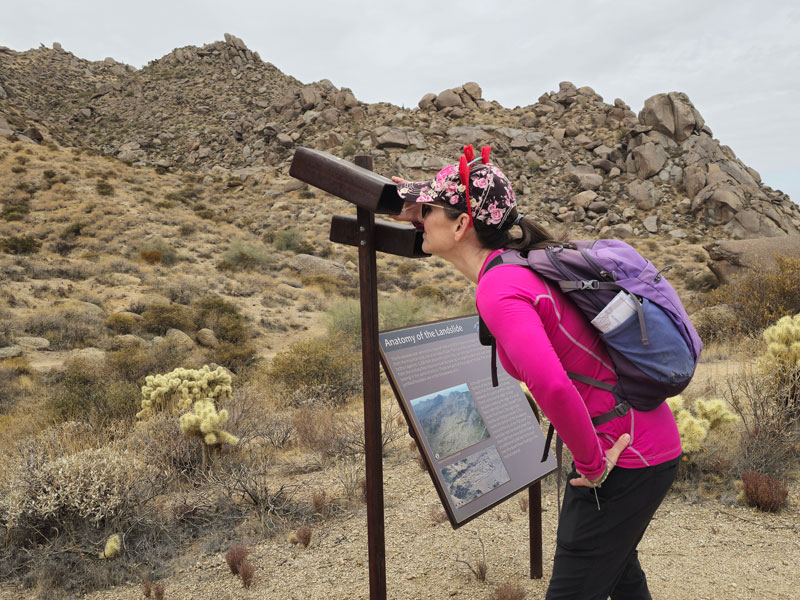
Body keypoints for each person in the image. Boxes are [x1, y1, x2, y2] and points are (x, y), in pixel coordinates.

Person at [391, 145, 682, 600]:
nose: (418, 218)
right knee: (621, 575)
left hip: (622, 456)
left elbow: (551, 384)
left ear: (462, 223)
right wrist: (413, 209)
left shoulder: (499, 287)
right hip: (640, 441)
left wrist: (590, 465)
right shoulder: (516, 269)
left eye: (426, 210)